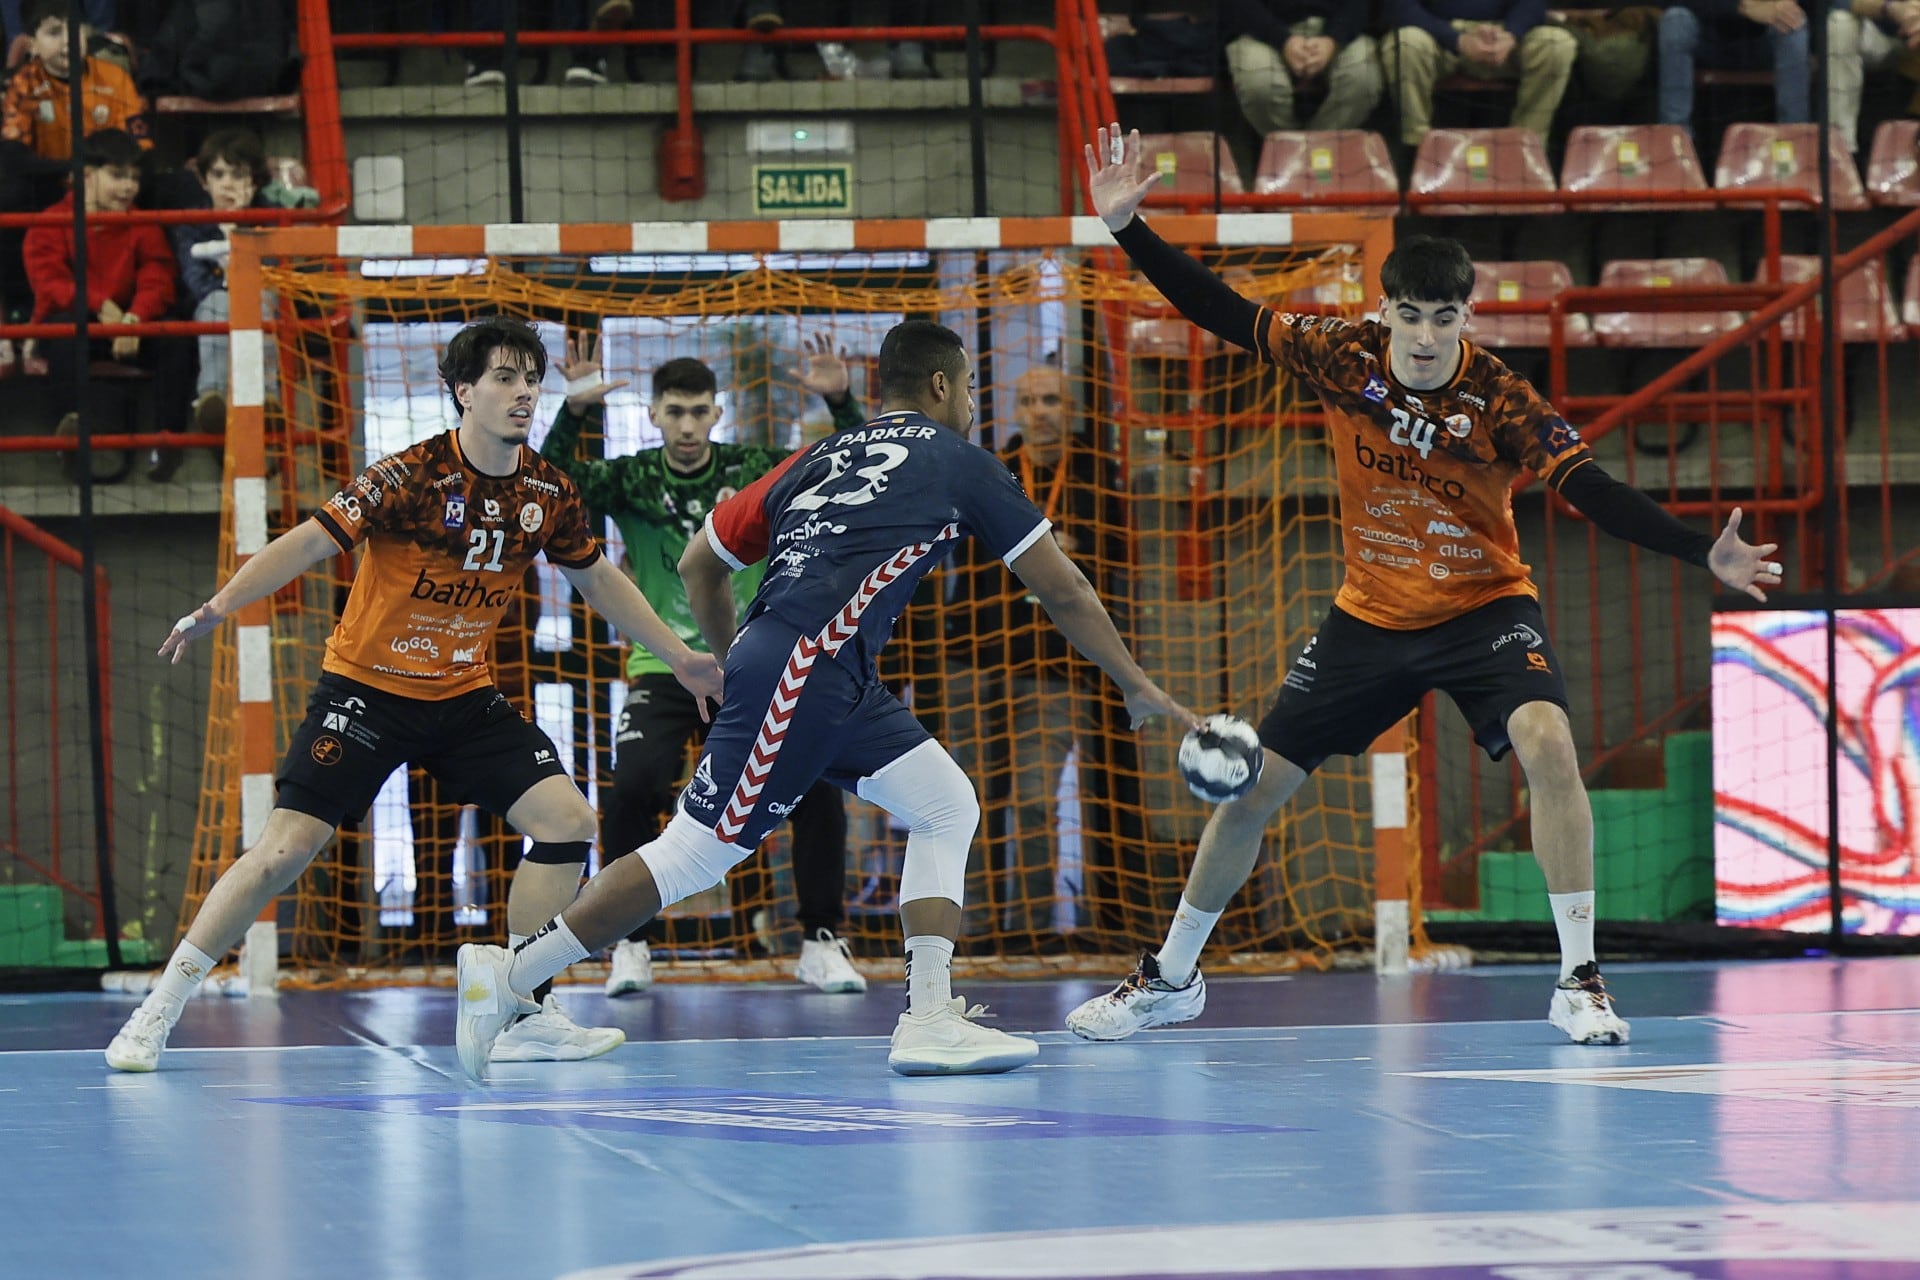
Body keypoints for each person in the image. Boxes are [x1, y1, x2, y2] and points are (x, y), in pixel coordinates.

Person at [1063, 124, 1787, 1047]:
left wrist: (1699, 551)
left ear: (1465, 321)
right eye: (1411, 315)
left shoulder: (1503, 400)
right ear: (1387, 310)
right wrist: (1129, 230)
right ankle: (1169, 976)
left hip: (1485, 610)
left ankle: (1579, 978)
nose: (1426, 336)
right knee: (1253, 794)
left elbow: (1593, 493)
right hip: (1369, 617)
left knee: (1550, 746)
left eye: (1445, 319)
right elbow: (1222, 309)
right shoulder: (1342, 352)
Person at [452, 318, 1195, 1082]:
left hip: (827, 673)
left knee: (946, 803)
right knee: (693, 856)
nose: (974, 401)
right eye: (971, 384)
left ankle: (931, 1017)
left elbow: (697, 560)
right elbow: (1065, 588)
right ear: (942, 385)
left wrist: (732, 652)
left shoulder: (813, 457)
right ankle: (509, 978)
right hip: (809, 666)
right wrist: (1136, 685)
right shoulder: (960, 463)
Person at [103, 316, 725, 1073]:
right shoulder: (408, 477)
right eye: (503, 378)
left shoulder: (547, 491)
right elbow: (307, 541)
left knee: (567, 820)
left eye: (531, 379)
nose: (522, 392)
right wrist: (218, 608)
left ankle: (524, 1007)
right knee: (285, 849)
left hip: (462, 697)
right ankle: (158, 1010)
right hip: (366, 693)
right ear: (463, 391)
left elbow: (598, 579)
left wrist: (683, 658)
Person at [539, 336, 869, 995]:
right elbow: (546, 486)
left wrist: (840, 401)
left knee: (817, 788)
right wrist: (573, 411)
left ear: (717, 414)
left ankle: (820, 939)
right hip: (664, 665)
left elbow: (854, 471)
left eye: (698, 412)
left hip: (751, 662)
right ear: (655, 416)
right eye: (674, 413)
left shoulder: (755, 468)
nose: (687, 427)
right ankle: (630, 943)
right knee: (633, 786)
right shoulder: (632, 477)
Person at [945, 363, 1146, 941]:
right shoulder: (989, 471)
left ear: (1071, 409)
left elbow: (1115, 572)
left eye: (1052, 399)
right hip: (974, 662)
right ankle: (976, 930)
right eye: (1029, 400)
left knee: (1035, 800)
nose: (1040, 411)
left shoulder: (1098, 479)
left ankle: (1032, 932)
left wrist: (1071, 558)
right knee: (973, 802)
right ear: (1015, 409)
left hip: (1055, 671)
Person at [22, 128, 194, 484]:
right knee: (65, 328)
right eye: (117, 175)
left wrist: (134, 319)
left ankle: (167, 442)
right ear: (86, 176)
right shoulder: (48, 224)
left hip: (131, 326)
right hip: (83, 325)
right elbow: (51, 285)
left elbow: (159, 275)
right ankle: (69, 441)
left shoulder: (142, 223)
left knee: (176, 336)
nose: (128, 187)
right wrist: (102, 308)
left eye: (133, 177)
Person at [164, 127, 318, 480]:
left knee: (259, 298)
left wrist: (241, 227)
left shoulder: (271, 216)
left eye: (238, 175)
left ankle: (267, 398)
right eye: (219, 174)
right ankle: (212, 400)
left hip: (263, 306)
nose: (228, 184)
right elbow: (197, 283)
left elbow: (278, 276)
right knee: (219, 300)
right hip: (210, 310)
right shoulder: (189, 222)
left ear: (255, 181)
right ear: (204, 181)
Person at [1381, 0, 1579, 146]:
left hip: (1503, 35)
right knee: (1404, 42)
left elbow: (1533, 3)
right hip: (1437, 37)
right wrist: (1456, 39)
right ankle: (1417, 148)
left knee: (1557, 44)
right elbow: (1399, 7)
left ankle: (1526, 146)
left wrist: (1512, 33)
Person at [1220, 0, 1384, 135]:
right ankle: (1290, 152)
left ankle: (1311, 151)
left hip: (1341, 28)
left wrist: (1333, 40)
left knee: (1364, 78)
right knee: (1259, 84)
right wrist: (1283, 40)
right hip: (1261, 29)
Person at [1657, 0, 1811, 135]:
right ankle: (1675, 140)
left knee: (1793, 23)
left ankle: (1794, 136)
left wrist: (1782, 7)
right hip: (1707, 42)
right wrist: (1739, 6)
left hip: (1764, 43)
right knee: (1674, 20)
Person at [1829, 0, 1920, 154]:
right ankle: (1842, 152)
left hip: (1910, 30)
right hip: (1867, 28)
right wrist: (1890, 8)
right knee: (1840, 24)